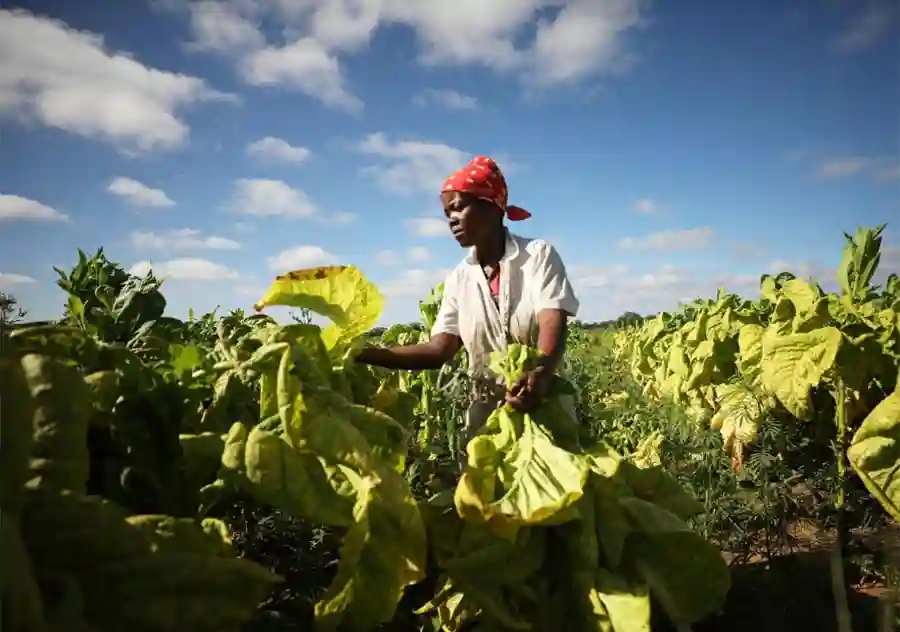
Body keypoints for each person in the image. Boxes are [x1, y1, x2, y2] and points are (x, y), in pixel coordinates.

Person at [356, 155, 580, 465]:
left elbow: (552, 317)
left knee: (557, 499)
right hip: (487, 418)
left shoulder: (537, 256)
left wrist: (538, 373)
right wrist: (364, 353)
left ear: (491, 207)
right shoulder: (459, 278)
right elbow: (439, 349)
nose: (451, 218)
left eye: (459, 206)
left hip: (545, 408)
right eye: (447, 212)